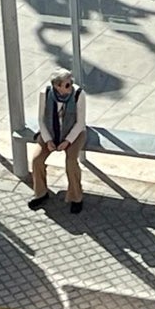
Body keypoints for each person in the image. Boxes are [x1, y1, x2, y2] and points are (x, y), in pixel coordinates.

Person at [29, 69, 87, 213]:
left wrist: (67, 141)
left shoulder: (79, 94)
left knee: (71, 161)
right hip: (51, 131)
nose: (70, 87)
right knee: (37, 160)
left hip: (73, 132)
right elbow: (41, 120)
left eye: (70, 83)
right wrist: (48, 140)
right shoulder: (46, 93)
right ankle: (41, 193)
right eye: (66, 85)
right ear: (57, 86)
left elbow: (80, 123)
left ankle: (76, 197)